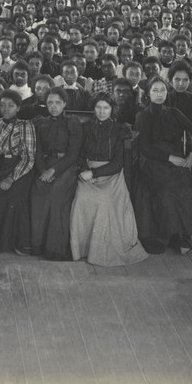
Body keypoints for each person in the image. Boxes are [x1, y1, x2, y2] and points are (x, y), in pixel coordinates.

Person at [70, 94, 148, 267]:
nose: (102, 111)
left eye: (106, 108)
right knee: (81, 199)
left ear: (112, 110)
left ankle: (100, 252)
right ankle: (82, 249)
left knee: (104, 201)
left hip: (111, 175)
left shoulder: (120, 129)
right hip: (87, 172)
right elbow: (80, 154)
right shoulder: (85, 127)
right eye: (98, 107)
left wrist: (94, 173)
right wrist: (84, 170)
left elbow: (118, 162)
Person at [132, 76, 192, 254]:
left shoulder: (174, 112)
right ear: (148, 94)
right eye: (155, 90)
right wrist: (169, 158)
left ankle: (183, 233)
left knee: (185, 187)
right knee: (167, 189)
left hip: (175, 159)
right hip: (152, 161)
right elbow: (144, 148)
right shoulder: (143, 115)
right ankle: (168, 235)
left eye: (162, 90)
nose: (159, 94)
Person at [0, 90, 36, 254]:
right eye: (3, 105)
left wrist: (11, 178)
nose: (6, 109)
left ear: (18, 108)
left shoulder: (25, 126)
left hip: (19, 167)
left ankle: (14, 243)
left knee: (10, 197)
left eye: (11, 105)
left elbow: (29, 157)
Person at [29, 87, 82, 259]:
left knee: (55, 195)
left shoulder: (72, 121)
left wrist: (54, 170)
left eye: (58, 102)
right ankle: (38, 245)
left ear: (64, 104)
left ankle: (55, 248)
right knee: (37, 194)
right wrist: (43, 170)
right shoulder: (40, 123)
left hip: (65, 166)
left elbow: (74, 153)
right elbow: (37, 150)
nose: (53, 106)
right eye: (50, 102)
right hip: (44, 165)